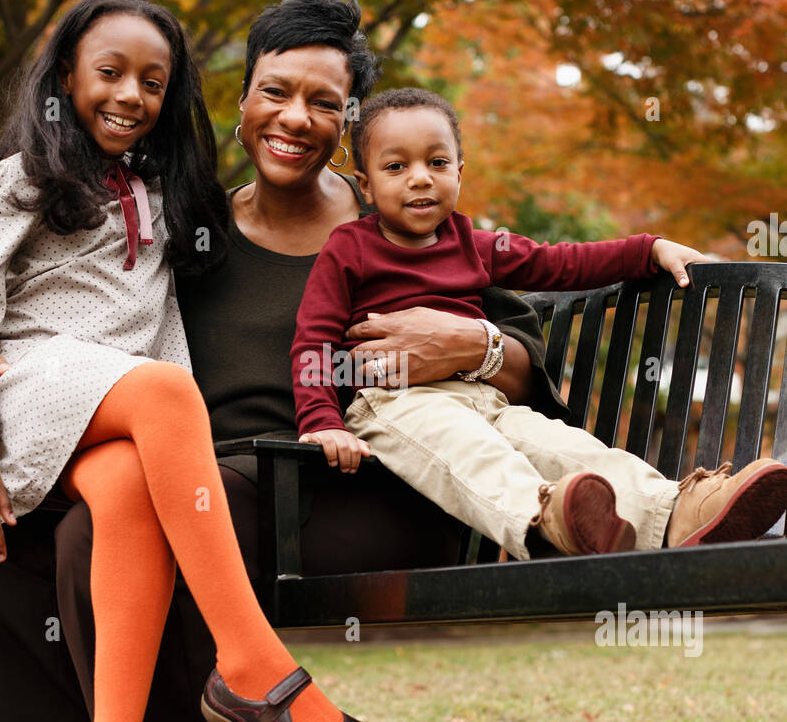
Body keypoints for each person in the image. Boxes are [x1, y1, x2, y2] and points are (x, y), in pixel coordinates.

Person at [0, 0, 555, 722]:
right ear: (240, 103)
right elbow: (96, 315)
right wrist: (20, 365)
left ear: (351, 121)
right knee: (82, 536)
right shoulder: (187, 229)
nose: (297, 119)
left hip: (355, 483)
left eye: (325, 102)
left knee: (146, 536)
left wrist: (473, 348)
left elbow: (523, 357)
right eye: (277, 93)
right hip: (205, 479)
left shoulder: (395, 219)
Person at [0, 0, 401, 722]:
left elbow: (161, 327)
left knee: (133, 501)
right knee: (161, 392)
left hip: (119, 407)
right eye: (109, 74)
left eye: (154, 81)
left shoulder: (167, 195)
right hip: (31, 383)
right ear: (66, 76)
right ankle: (257, 669)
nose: (131, 95)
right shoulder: (19, 177)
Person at [293, 88, 787, 556]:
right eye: (397, 166)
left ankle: (677, 512)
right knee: (476, 456)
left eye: (437, 163)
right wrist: (321, 422)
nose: (420, 178)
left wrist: (648, 249)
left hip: (485, 396)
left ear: (460, 173)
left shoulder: (473, 243)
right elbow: (312, 339)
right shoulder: (349, 248)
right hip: (396, 402)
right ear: (366, 184)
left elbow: (560, 262)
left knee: (569, 448)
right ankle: (547, 518)